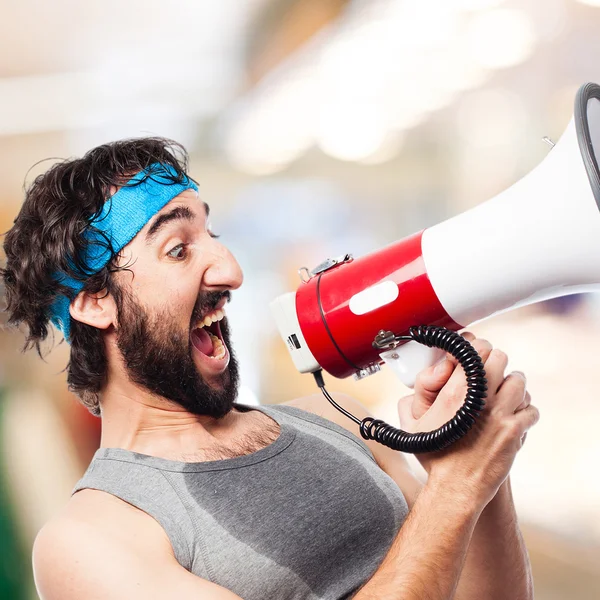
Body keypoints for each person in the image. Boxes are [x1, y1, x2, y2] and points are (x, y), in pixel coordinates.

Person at [1, 138, 539, 600]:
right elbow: (448, 506)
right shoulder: (91, 538)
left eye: (213, 233)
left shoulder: (337, 421)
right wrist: (454, 490)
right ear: (95, 301)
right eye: (179, 249)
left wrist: (480, 449)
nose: (230, 270)